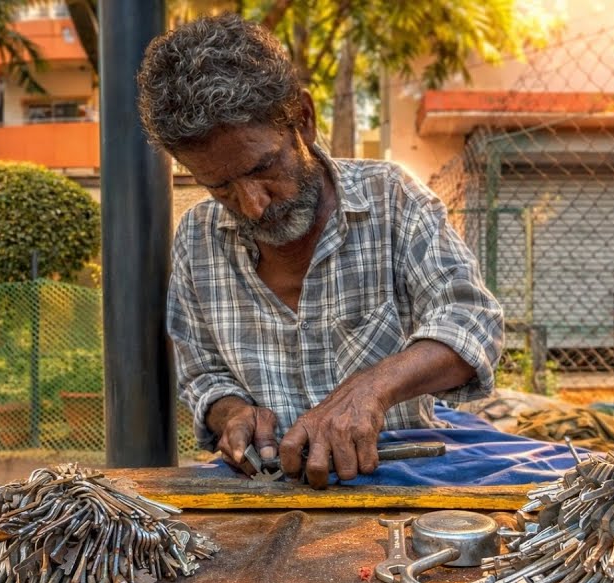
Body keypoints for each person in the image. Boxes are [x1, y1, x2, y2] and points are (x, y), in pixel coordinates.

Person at [137, 14, 503, 489]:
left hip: (404, 468)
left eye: (264, 167)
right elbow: (203, 374)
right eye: (220, 186)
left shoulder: (392, 198)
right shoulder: (198, 239)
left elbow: (471, 319)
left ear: (303, 121)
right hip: (270, 484)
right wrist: (233, 415)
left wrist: (369, 391)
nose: (253, 204)